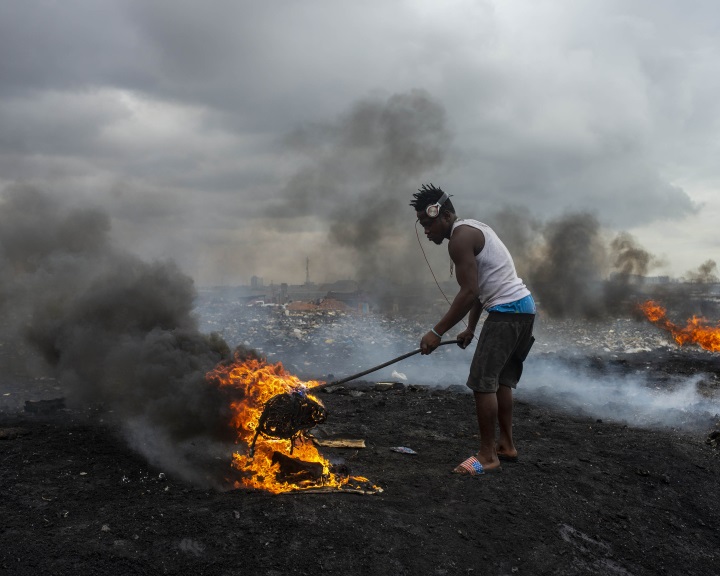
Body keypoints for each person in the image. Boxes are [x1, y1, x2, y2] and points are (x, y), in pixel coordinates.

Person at [410, 184, 536, 476]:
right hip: (523, 309)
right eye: (422, 225)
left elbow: (469, 292)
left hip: (506, 313)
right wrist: (470, 327)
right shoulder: (472, 228)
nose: (427, 231)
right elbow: (480, 289)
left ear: (443, 216)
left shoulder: (459, 239)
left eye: (428, 224)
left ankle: (487, 455)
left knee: (482, 383)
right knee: (501, 380)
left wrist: (436, 331)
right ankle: (506, 445)